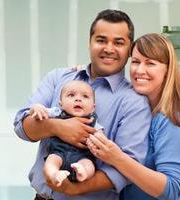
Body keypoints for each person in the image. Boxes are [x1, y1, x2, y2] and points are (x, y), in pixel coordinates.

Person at [13, 9, 152, 200]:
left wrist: (74, 189)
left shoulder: (134, 102)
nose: (109, 49)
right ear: (90, 43)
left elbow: (128, 167)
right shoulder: (58, 78)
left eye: (118, 43)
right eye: (101, 40)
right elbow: (22, 125)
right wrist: (57, 127)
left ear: (129, 50)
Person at [87, 33, 180, 200]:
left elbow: (172, 189)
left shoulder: (173, 119)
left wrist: (117, 158)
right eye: (135, 62)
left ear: (167, 70)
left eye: (150, 63)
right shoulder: (141, 111)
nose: (140, 70)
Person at [27, 80, 103, 188]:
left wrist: (98, 141)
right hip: (58, 153)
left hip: (82, 155)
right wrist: (36, 108)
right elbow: (36, 113)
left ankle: (82, 172)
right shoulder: (57, 113)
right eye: (71, 95)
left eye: (85, 96)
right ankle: (54, 175)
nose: (78, 99)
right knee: (50, 162)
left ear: (93, 107)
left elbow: (101, 137)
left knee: (89, 165)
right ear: (61, 104)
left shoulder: (93, 122)